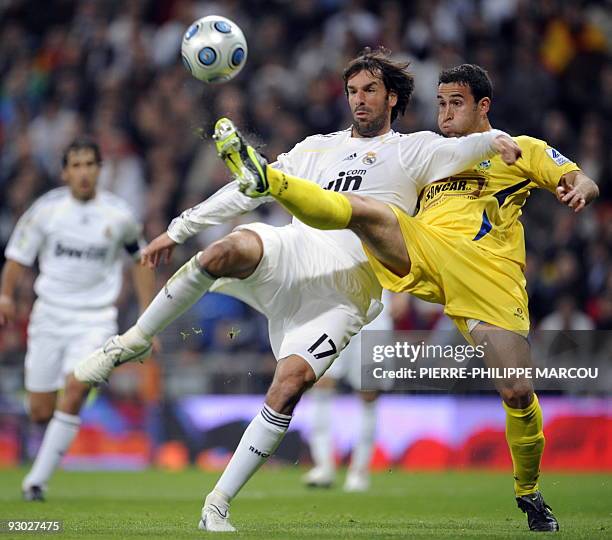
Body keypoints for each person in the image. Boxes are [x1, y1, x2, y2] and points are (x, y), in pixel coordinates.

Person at [75, 49, 520, 532]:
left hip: (347, 292)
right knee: (225, 250)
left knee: (289, 386)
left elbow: (466, 147)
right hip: (294, 252)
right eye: (352, 91)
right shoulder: (315, 148)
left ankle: (217, 504)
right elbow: (249, 189)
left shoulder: (413, 150)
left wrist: (499, 140)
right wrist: (178, 230)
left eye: (370, 90)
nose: (359, 100)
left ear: (392, 97)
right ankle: (134, 339)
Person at [219, 62, 599, 532]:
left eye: (455, 103)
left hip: (487, 280)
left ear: (483, 107)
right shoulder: (428, 152)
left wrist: (578, 187)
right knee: (368, 211)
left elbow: (578, 176)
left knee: (518, 392)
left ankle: (529, 491)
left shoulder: (517, 150)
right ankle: (272, 185)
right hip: (421, 252)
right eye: (439, 103)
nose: (444, 113)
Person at [0, 137, 156, 501]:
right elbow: (18, 257)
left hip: (96, 320)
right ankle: (48, 442)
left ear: (100, 170)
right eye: (77, 165)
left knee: (75, 386)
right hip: (49, 317)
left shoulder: (119, 215)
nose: (84, 172)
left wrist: (148, 319)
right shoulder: (45, 211)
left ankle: (36, 481)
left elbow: (141, 259)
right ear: (65, 172)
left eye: (91, 164)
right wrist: (6, 295)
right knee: (39, 410)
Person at [303, 290, 395, 492]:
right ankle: (323, 466)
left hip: (374, 316)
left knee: (368, 393)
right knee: (321, 382)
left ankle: (360, 471)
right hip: (334, 310)